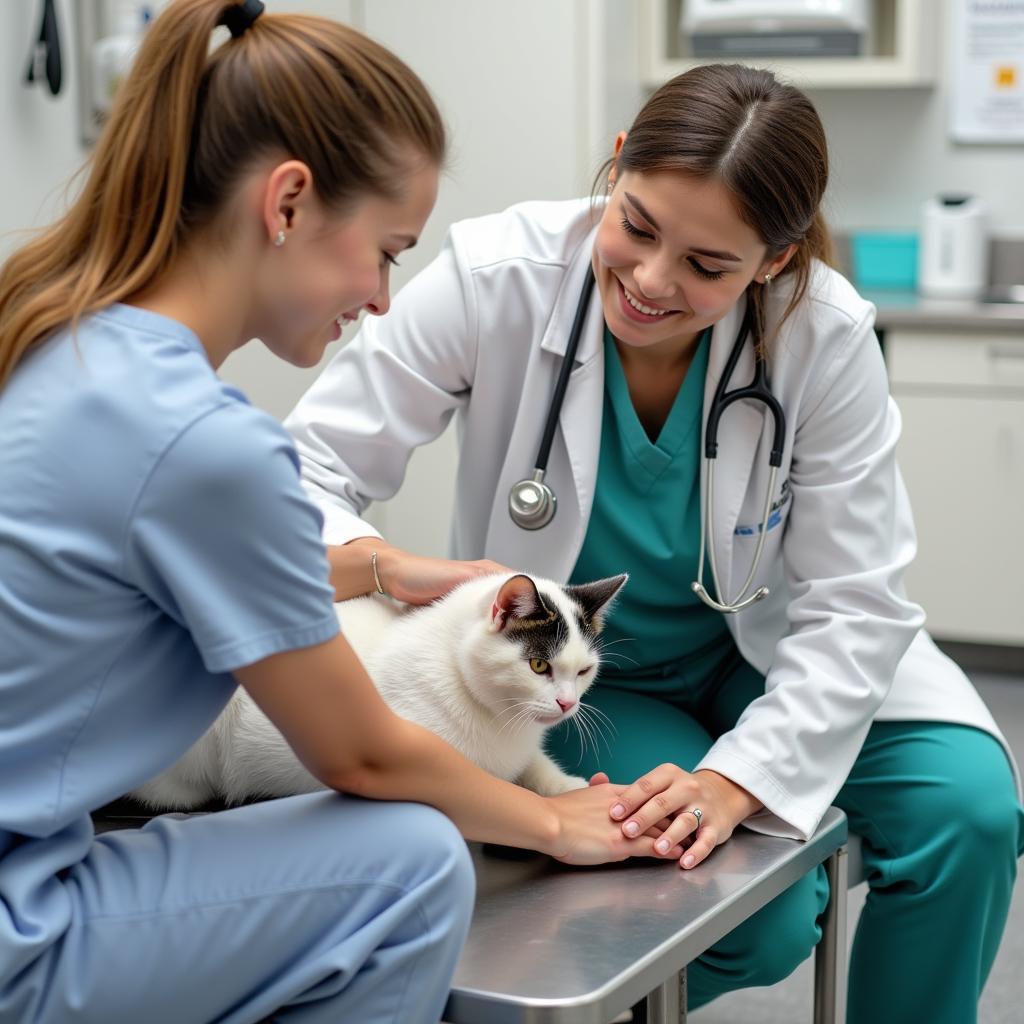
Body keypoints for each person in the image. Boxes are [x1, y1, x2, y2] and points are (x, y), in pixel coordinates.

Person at [285, 63, 1024, 1023]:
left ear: (774, 260)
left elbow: (856, 601)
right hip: (595, 680)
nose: (649, 281)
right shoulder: (497, 275)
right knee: (746, 913)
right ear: (619, 164)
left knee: (968, 815)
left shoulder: (825, 337)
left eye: (709, 266)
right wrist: (384, 566)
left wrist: (736, 778)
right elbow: (305, 472)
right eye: (635, 224)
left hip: (789, 656)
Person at [0, 3, 678, 1022]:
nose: (383, 298)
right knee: (409, 860)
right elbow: (363, 752)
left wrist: (376, 568)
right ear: (287, 203)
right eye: (388, 250)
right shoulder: (206, 440)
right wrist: (555, 822)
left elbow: (136, 562)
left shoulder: (62, 340)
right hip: (24, 925)